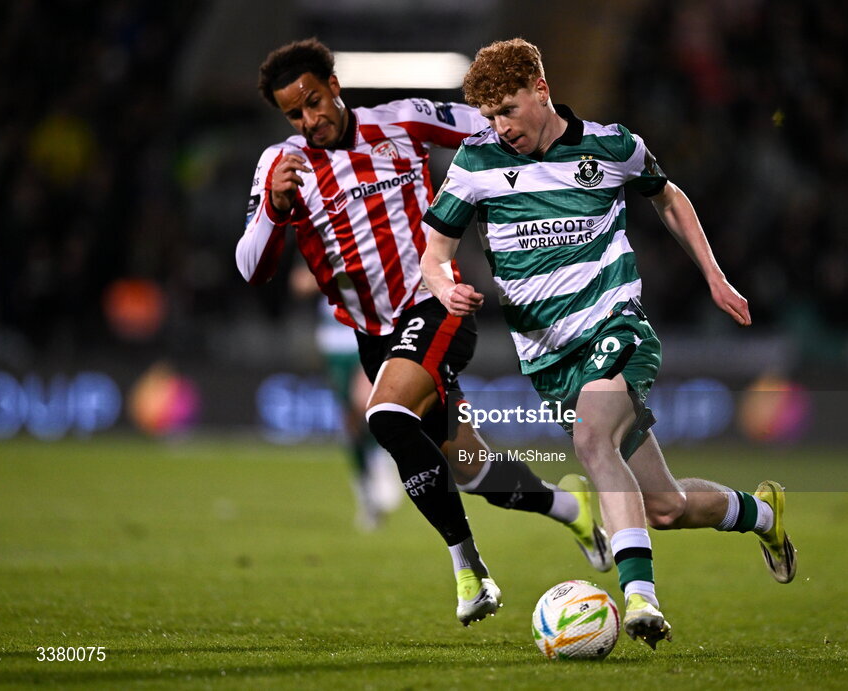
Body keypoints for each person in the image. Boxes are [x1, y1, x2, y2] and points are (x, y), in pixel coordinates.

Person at [421, 38, 796, 649]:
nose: (500, 127)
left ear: (540, 90)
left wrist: (714, 276)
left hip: (615, 326)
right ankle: (762, 515)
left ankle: (640, 599)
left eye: (508, 110)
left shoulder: (612, 145)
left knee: (591, 438)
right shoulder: (475, 163)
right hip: (548, 359)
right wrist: (445, 288)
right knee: (665, 507)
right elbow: (434, 253)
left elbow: (668, 197)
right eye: (490, 117)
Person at [236, 38, 611, 627]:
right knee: (470, 470)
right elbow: (250, 268)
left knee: (384, 415)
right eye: (294, 113)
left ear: (334, 86)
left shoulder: (403, 121)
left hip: (436, 305)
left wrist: (553, 170)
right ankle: (572, 508)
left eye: (314, 101)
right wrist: (277, 210)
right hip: (372, 335)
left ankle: (471, 571)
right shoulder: (281, 165)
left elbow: (492, 128)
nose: (310, 120)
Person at [291, 267, 402, 531]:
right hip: (333, 343)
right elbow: (299, 284)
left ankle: (381, 462)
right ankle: (365, 493)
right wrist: (328, 275)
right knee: (350, 423)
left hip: (366, 336)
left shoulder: (369, 235)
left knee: (366, 406)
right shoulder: (321, 239)